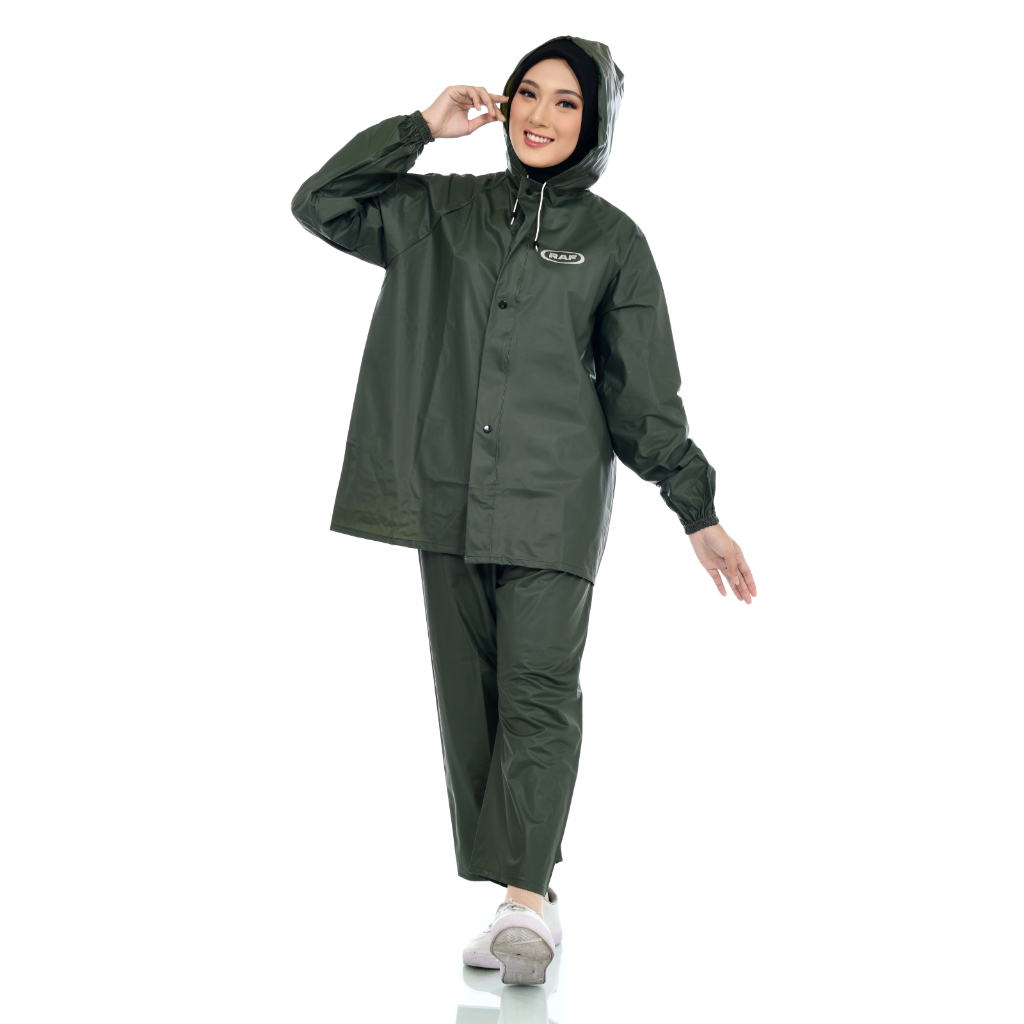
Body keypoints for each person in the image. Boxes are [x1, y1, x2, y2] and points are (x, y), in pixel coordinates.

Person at [290, 34, 757, 986]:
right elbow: (321, 203)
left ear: (597, 124)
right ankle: (525, 888)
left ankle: (525, 906)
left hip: (553, 504)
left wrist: (696, 508)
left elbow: (644, 398)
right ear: (503, 104)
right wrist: (420, 129)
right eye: (528, 94)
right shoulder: (438, 212)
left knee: (539, 692)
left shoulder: (615, 243)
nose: (542, 116)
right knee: (472, 705)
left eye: (568, 103)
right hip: (445, 500)